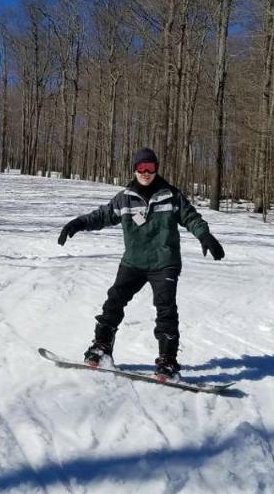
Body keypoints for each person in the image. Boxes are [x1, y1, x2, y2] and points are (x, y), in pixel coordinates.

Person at [56, 147, 225, 380]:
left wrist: (205, 236)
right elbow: (102, 216)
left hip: (164, 262)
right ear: (134, 170)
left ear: (157, 169)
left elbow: (191, 217)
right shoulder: (125, 198)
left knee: (166, 309)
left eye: (150, 168)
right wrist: (77, 223)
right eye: (141, 168)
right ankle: (102, 347)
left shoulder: (171, 195)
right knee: (114, 301)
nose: (146, 173)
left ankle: (167, 361)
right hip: (133, 261)